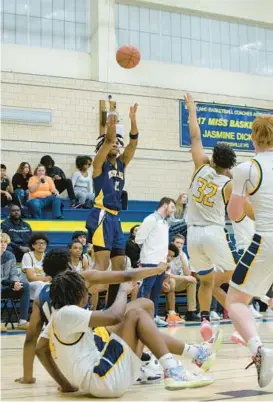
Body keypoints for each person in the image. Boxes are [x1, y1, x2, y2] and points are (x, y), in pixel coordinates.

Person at [35, 271, 223, 396]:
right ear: (77, 292)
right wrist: (123, 291)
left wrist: (67, 385)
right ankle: (173, 369)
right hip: (103, 379)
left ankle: (196, 354)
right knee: (136, 314)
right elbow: (114, 316)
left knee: (143, 306)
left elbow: (40, 350)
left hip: (100, 378)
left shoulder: (57, 317)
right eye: (85, 288)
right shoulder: (68, 313)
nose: (89, 291)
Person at [14, 251, 170, 384]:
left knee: (142, 307)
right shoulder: (80, 278)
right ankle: (137, 365)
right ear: (69, 266)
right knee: (144, 307)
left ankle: (148, 357)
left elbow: (31, 338)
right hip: (93, 345)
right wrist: (157, 269)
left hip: (63, 357)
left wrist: (28, 377)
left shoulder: (40, 295)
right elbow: (126, 275)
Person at [184, 93, 239, 342]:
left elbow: (195, 136)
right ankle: (239, 315)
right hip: (213, 232)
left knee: (206, 281)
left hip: (192, 234)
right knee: (233, 275)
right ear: (229, 166)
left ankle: (205, 319)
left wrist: (192, 111)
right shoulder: (228, 183)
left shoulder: (200, 167)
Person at [226, 114, 273, 388]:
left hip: (266, 239)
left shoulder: (246, 168)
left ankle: (259, 351)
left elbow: (234, 213)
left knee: (235, 300)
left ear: (253, 138)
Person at [86, 105, 139, 309]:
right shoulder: (99, 164)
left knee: (119, 267)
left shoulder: (122, 164)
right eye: (113, 143)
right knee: (102, 265)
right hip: (101, 214)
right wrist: (112, 121)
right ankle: (80, 303)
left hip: (115, 218)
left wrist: (133, 120)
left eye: (118, 142)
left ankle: (111, 309)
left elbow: (133, 144)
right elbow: (108, 140)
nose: (116, 144)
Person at [136, 197, 176, 327]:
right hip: (150, 262)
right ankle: (136, 316)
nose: (173, 210)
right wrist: (148, 255)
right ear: (164, 205)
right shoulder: (150, 219)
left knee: (156, 292)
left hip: (161, 263)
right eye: (172, 207)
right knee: (145, 290)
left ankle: (153, 317)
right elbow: (139, 240)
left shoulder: (164, 223)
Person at [1, 232, 30, 332]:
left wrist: (16, 282)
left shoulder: (10, 256)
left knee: (25, 286)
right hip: (3, 285)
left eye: (5, 242)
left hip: (5, 287)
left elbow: (14, 273)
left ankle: (22, 321)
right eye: (0, 242)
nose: (3, 244)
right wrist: (11, 283)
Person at [170, 234, 199, 321]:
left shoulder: (183, 255)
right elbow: (166, 274)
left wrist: (182, 259)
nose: (179, 245)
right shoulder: (167, 254)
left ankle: (191, 312)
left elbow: (187, 274)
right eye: (177, 243)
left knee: (192, 281)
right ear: (172, 243)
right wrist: (185, 278)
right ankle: (171, 311)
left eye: (181, 243)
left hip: (178, 281)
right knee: (172, 281)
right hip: (167, 282)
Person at [21, 233, 50, 300]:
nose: (41, 245)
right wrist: (46, 279)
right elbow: (31, 278)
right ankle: (38, 307)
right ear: (33, 245)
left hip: (42, 283)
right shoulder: (27, 256)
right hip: (27, 285)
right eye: (38, 243)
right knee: (40, 284)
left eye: (43, 243)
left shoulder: (47, 256)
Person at [161, 243, 184, 324]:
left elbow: (167, 276)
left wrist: (165, 283)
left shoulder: (168, 265)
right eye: (168, 255)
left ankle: (171, 314)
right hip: (147, 283)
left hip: (159, 283)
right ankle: (152, 314)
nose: (169, 258)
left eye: (171, 257)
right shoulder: (156, 261)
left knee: (170, 285)